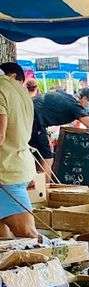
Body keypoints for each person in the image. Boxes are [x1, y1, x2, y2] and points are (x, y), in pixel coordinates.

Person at [0, 63, 37, 238]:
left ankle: (50, 264)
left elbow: (0, 134)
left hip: (5, 172)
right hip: (17, 166)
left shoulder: (2, 89)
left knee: (29, 236)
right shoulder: (20, 89)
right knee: (4, 240)